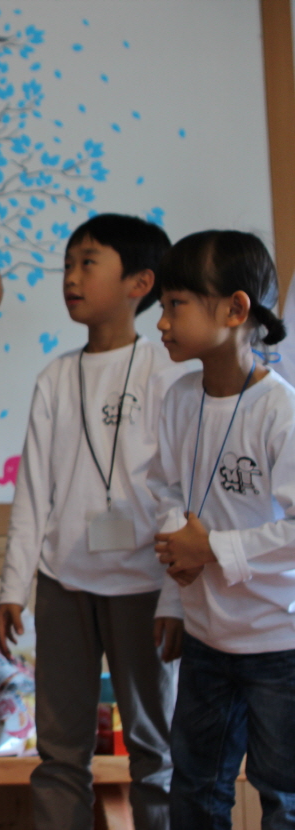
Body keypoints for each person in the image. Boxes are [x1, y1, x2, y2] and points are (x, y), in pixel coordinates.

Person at [0, 214, 182, 830]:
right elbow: (32, 491)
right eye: (67, 265)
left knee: (156, 752)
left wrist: (176, 596)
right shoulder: (55, 377)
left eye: (88, 263)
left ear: (140, 283)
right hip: (64, 584)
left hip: (146, 585)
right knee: (59, 753)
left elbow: (181, 490)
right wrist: (13, 586)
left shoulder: (165, 373)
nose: (71, 278)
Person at [147, 230, 295, 828]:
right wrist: (175, 583)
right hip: (206, 639)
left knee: (282, 796)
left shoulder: (280, 411)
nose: (162, 323)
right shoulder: (180, 398)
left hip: (278, 645)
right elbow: (166, 491)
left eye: (175, 304)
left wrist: (210, 549)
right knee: (196, 791)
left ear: (235, 309)